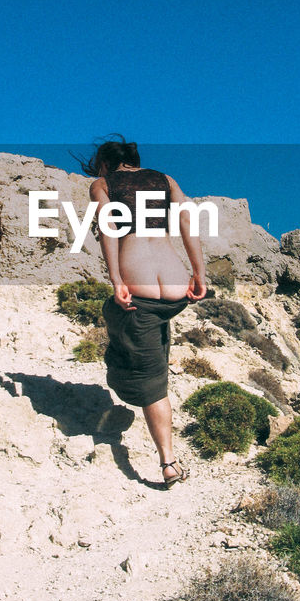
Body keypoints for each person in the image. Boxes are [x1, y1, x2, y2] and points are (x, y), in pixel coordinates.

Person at [80, 137, 207, 488]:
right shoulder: (165, 180)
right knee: (145, 337)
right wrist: (199, 273)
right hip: (177, 289)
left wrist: (116, 278)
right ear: (136, 160)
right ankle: (145, 371)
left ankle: (168, 462)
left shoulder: (102, 185)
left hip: (140, 291)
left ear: (105, 163)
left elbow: (108, 228)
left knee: (150, 383)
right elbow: (187, 222)